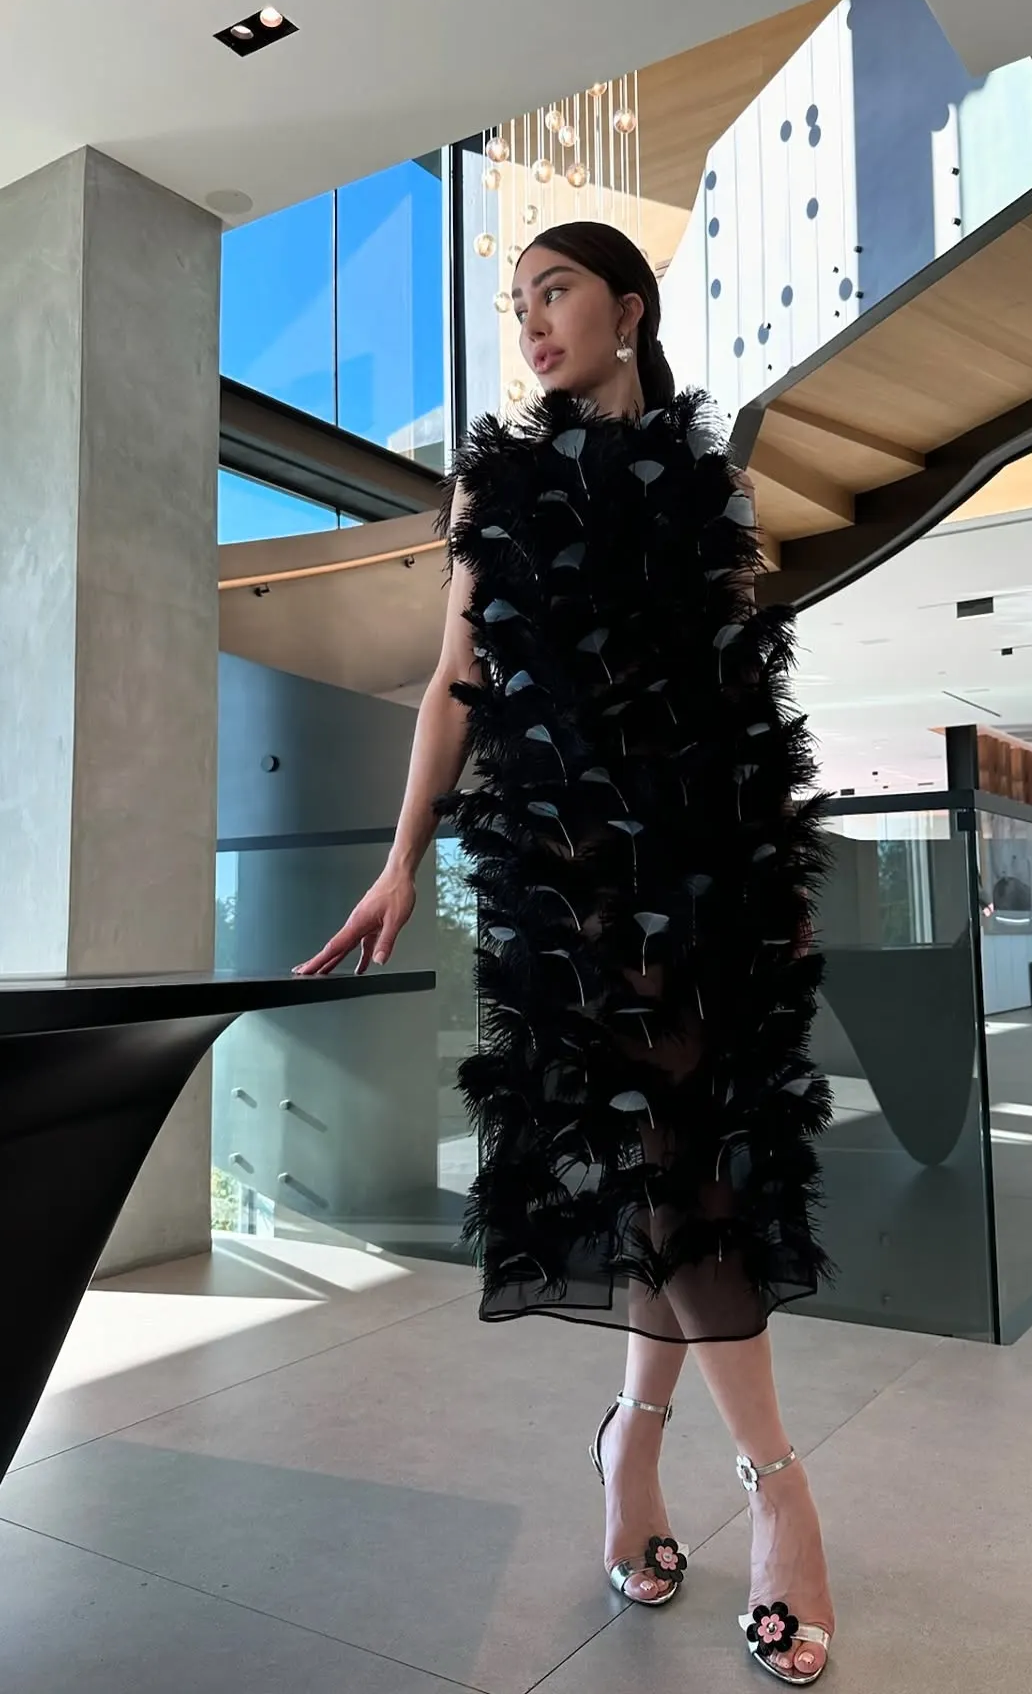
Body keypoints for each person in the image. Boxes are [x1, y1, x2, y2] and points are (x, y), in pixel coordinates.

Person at [295, 220, 837, 1684]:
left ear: (628, 309)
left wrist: (777, 868)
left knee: (679, 1151)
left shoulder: (707, 481)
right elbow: (455, 682)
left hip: (706, 860)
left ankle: (631, 1447)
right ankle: (778, 1491)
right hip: (573, 868)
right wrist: (402, 858)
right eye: (517, 301)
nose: (532, 322)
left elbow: (739, 694)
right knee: (677, 1156)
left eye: (557, 292)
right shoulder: (500, 482)